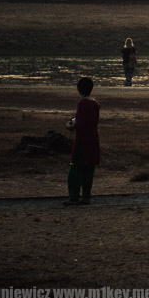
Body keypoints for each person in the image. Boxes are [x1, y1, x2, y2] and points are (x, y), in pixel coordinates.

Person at [64, 76, 100, 205]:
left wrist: (69, 126)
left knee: (75, 168)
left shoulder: (83, 103)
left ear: (79, 89)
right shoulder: (95, 103)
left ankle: (73, 196)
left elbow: (79, 124)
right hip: (93, 139)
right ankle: (86, 196)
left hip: (82, 139)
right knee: (89, 168)